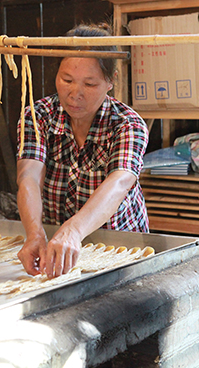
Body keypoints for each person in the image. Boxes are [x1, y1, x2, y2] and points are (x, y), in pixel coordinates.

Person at [16, 23, 149, 279]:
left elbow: (120, 181)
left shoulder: (127, 124)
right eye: (67, 80)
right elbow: (28, 176)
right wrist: (34, 233)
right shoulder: (38, 116)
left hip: (119, 246)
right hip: (56, 244)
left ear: (110, 81)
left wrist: (74, 230)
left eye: (89, 84)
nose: (74, 94)